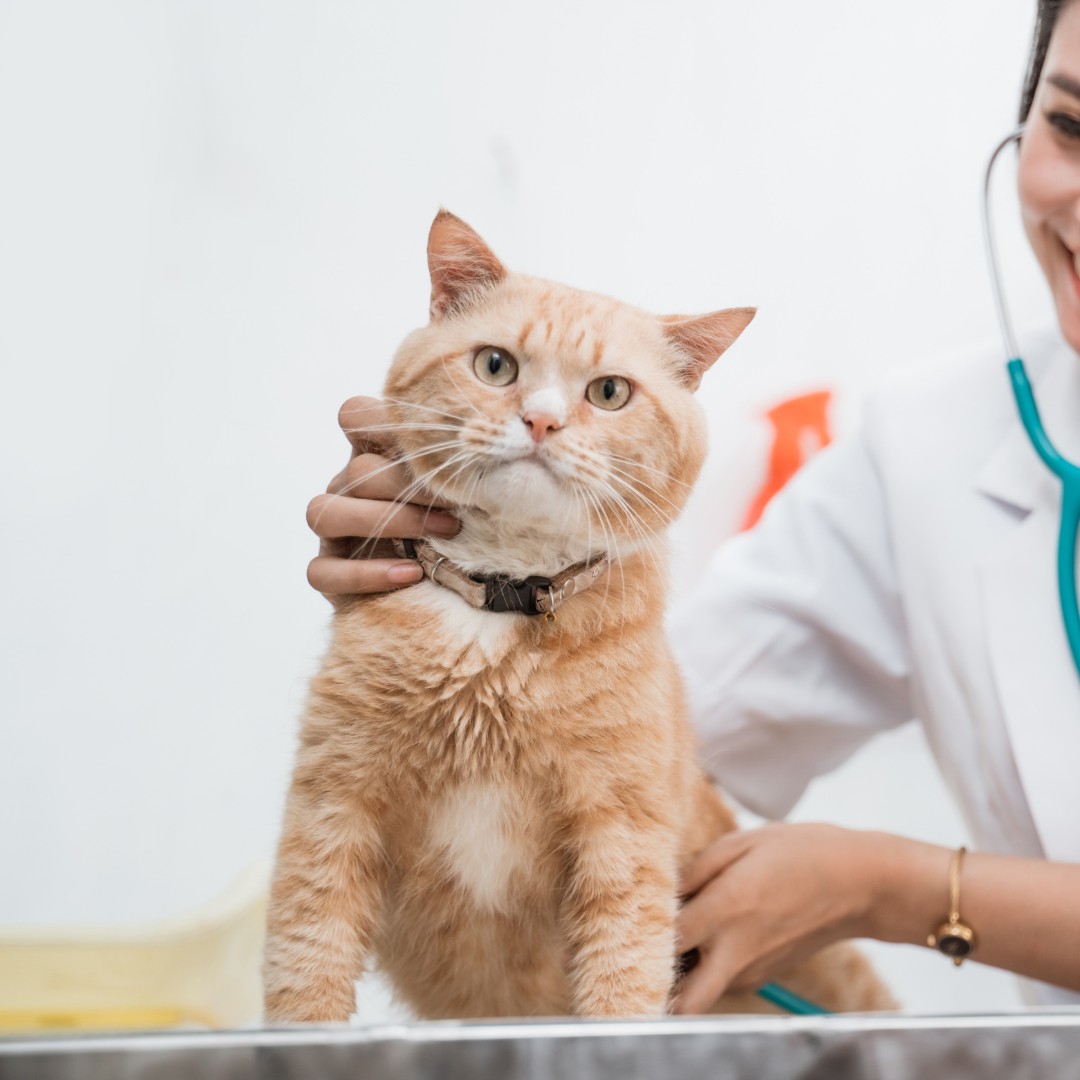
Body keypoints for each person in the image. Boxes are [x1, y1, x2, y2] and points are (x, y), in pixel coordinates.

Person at [304, 0, 1080, 1009]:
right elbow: (641, 724)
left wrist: (901, 888)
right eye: (1070, 126)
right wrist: (454, 586)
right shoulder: (931, 441)